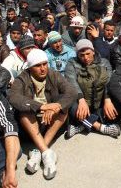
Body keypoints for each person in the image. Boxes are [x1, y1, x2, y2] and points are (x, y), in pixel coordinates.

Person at [8, 49, 75, 180]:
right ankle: (47, 153)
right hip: (31, 124)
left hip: (50, 120)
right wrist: (41, 107)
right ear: (30, 67)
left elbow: (71, 92)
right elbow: (13, 96)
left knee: (64, 109)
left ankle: (39, 151)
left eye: (45, 64)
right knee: (24, 112)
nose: (43, 68)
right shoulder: (22, 78)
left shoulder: (53, 75)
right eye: (38, 66)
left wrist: (57, 107)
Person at [64, 39, 120, 139]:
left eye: (88, 54)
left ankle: (81, 126)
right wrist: (81, 99)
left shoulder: (104, 62)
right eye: (81, 55)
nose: (85, 58)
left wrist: (107, 99)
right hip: (81, 103)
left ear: (93, 51)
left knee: (114, 106)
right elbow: (71, 81)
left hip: (99, 103)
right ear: (77, 55)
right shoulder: (72, 63)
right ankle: (100, 127)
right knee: (71, 106)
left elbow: (109, 81)